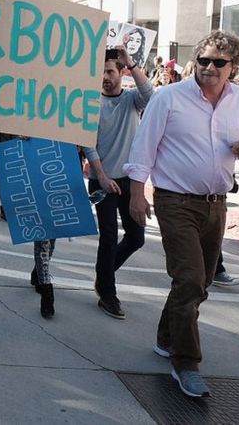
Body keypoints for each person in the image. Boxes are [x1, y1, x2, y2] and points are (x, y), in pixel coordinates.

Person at [124, 30, 239, 398]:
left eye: (219, 62)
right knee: (191, 279)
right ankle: (186, 362)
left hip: (216, 203)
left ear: (233, 66)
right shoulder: (169, 97)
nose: (210, 68)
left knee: (200, 282)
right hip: (174, 201)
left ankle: (166, 337)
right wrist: (136, 195)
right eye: (205, 60)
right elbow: (144, 145)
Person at [83, 47, 152, 319]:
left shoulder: (132, 100)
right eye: (101, 72)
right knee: (109, 237)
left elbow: (151, 95)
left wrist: (131, 63)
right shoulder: (91, 104)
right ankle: (108, 294)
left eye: (110, 71)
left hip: (129, 181)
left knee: (136, 238)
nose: (105, 77)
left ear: (120, 73)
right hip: (103, 180)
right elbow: (89, 143)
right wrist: (101, 176)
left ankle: (103, 275)